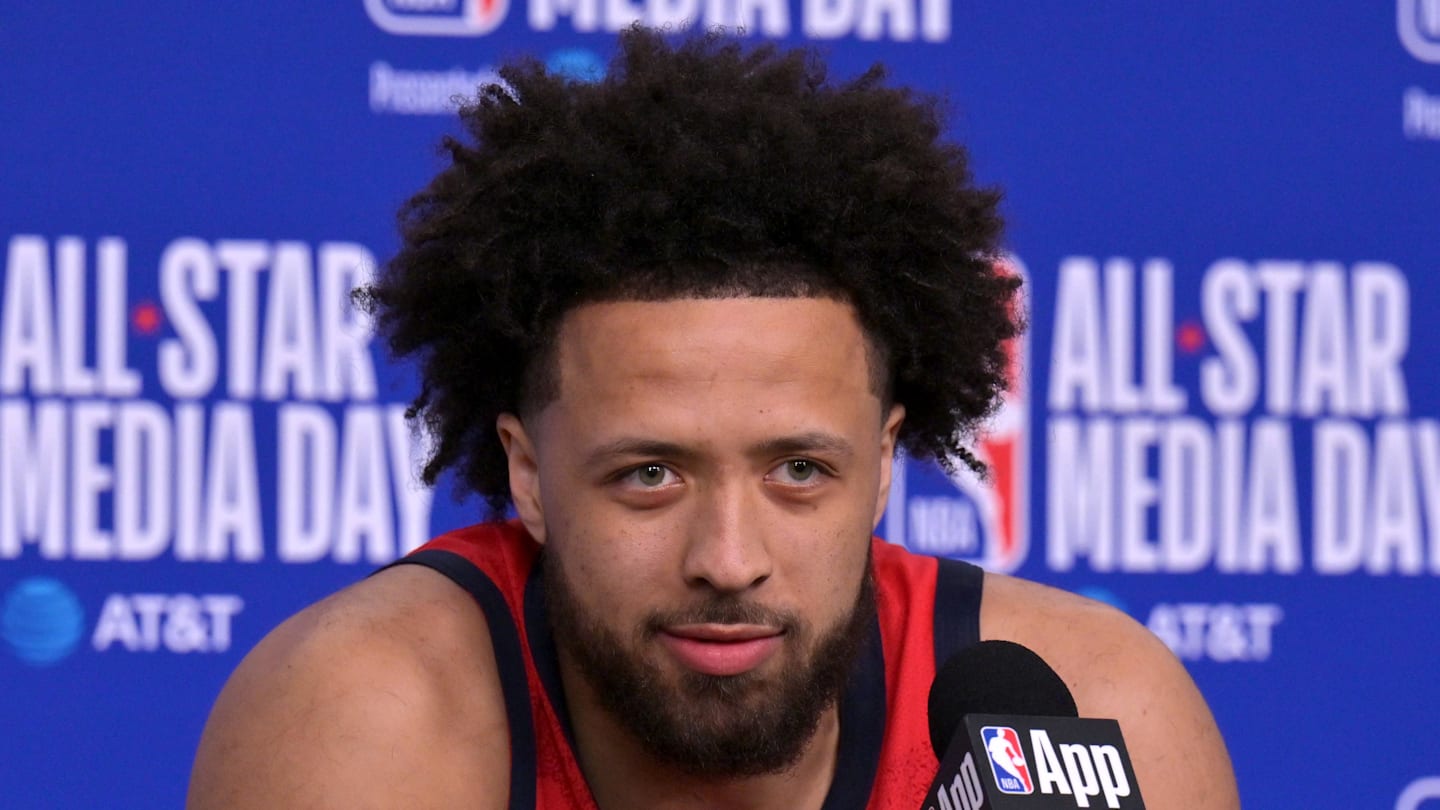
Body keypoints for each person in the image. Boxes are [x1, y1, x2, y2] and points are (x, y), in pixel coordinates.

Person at [188, 27, 1239, 809]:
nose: (729, 560)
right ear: (526, 476)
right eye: (650, 475)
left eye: (799, 472)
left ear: (881, 467)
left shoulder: (1095, 714)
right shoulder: (366, 726)